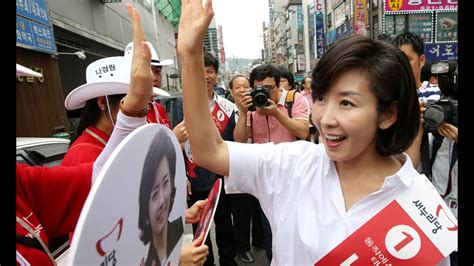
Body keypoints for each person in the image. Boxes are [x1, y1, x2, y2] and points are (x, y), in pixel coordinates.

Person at [177, 2, 453, 264]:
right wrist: (190, 56)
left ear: (388, 114)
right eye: (320, 98)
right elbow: (209, 151)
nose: (325, 118)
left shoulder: (422, 210)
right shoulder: (293, 164)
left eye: (346, 102)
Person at [17, 4, 154, 264]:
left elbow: (104, 178)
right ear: (103, 103)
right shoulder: (82, 152)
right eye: (124, 99)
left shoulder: (20, 180)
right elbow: (99, 227)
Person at [174, 52, 241, 266]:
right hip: (194, 178)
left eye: (209, 71)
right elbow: (176, 144)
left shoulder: (227, 107)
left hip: (221, 177)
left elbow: (232, 141)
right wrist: (182, 175)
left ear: (216, 74)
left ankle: (228, 261)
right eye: (199, 71)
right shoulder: (181, 105)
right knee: (200, 229)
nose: (204, 76)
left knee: (224, 225)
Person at [138, 129, 183, 266]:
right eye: (154, 194)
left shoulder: (180, 230)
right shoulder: (142, 259)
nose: (163, 201)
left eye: (165, 183)